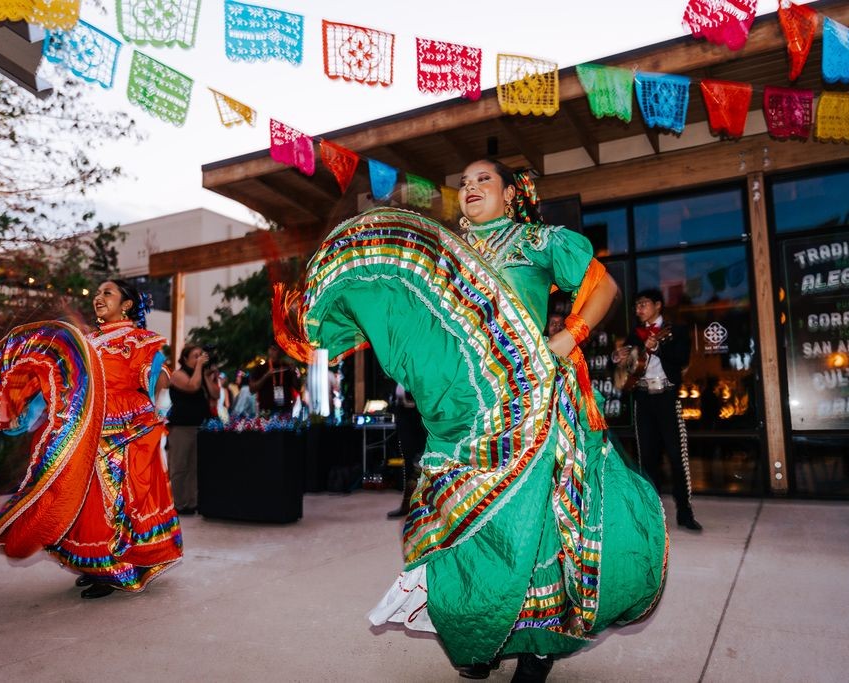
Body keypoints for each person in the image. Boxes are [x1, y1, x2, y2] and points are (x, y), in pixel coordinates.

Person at [274, 159, 668, 682]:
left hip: (531, 404)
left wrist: (566, 338)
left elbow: (603, 289)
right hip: (459, 420)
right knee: (456, 527)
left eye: (484, 179)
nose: (471, 187)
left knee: (532, 527)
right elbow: (402, 314)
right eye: (463, 182)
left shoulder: (538, 241)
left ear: (510, 194)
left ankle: (536, 649)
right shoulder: (440, 253)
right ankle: (477, 632)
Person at [0, 280, 183, 598]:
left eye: (108, 293)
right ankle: (95, 565)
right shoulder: (84, 340)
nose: (99, 298)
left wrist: (138, 419)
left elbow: (154, 385)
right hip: (84, 428)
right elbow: (61, 379)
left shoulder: (141, 341)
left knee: (114, 501)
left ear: (127, 304)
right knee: (81, 499)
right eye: (98, 293)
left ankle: (116, 568)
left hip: (124, 431)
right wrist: (23, 407)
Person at [615, 288, 701, 532]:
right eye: (636, 306)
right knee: (647, 459)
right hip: (643, 398)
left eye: (643, 304)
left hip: (666, 397)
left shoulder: (677, 331)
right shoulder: (635, 334)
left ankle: (685, 513)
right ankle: (651, 514)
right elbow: (630, 366)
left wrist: (659, 348)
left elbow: (682, 358)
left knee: (676, 457)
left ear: (658, 306)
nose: (638, 309)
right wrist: (619, 357)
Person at [168, 344, 218, 515]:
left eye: (200, 355)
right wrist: (199, 369)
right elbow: (192, 386)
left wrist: (207, 375)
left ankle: (192, 502)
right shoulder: (177, 374)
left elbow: (215, 394)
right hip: (182, 427)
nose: (199, 359)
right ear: (185, 359)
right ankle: (178, 503)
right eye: (195, 356)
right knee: (180, 466)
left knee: (194, 467)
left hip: (201, 425)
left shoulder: (201, 373)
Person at [386, 384, 426, 518]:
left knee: (422, 461)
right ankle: (408, 504)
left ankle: (422, 505)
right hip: (405, 417)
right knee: (409, 461)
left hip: (421, 416)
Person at [248, 343, 298, 414]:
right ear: (269, 351)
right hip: (266, 411)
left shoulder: (287, 367)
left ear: (282, 352)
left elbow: (297, 387)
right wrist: (266, 376)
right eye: (273, 349)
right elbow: (252, 389)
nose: (276, 352)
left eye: (278, 350)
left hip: (285, 410)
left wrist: (293, 374)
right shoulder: (260, 368)